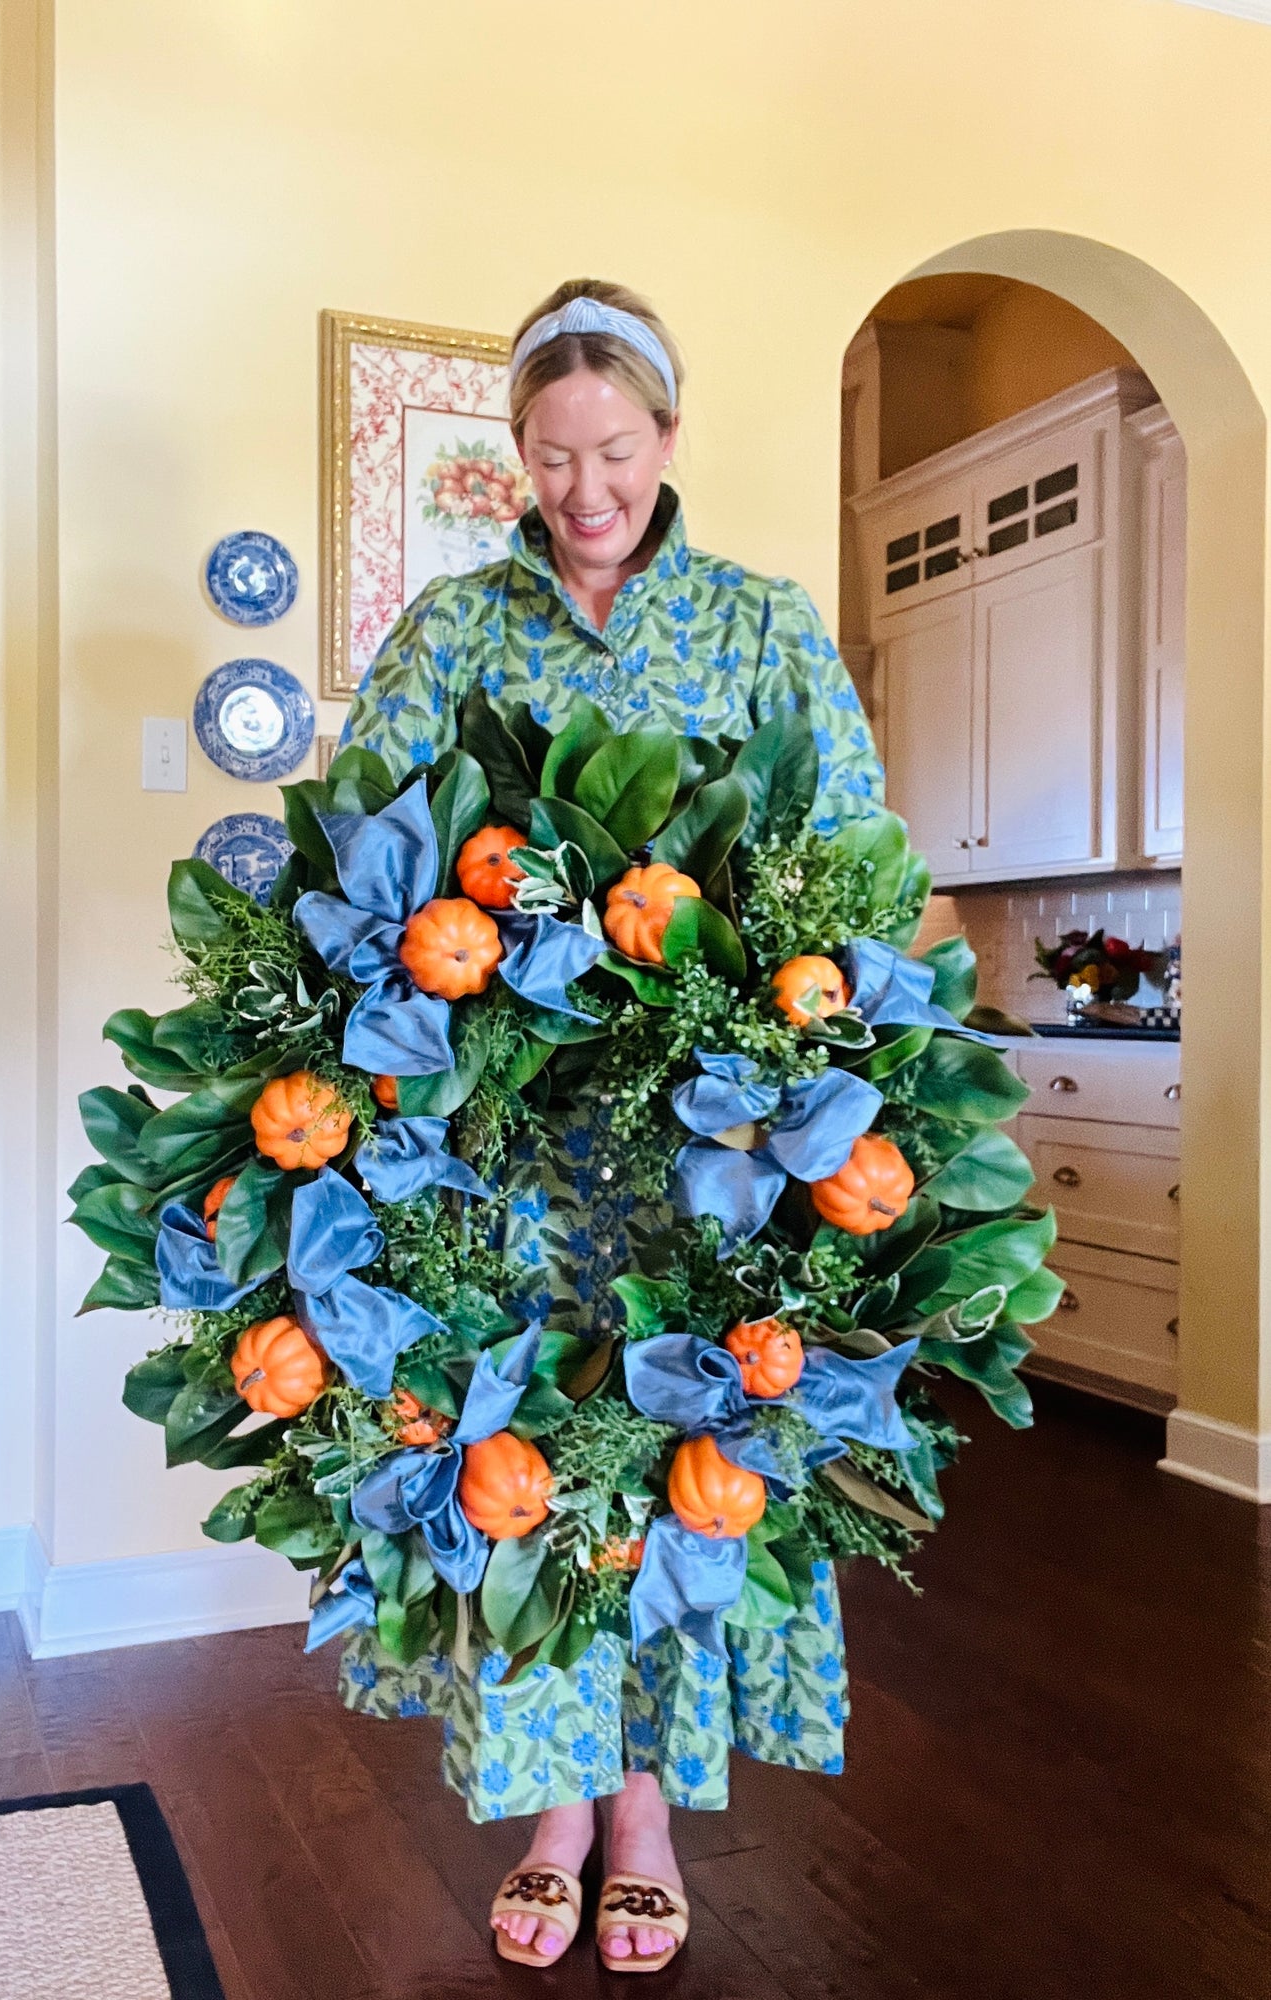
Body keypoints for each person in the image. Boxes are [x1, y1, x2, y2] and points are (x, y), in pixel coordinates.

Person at [337, 279, 883, 1972]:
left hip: (710, 1150)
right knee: (526, 1451)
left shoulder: (766, 621)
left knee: (684, 1458)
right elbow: (364, 854)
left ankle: (646, 1813)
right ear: (515, 453)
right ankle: (555, 1810)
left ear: (667, 436)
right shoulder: (447, 633)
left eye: (618, 451)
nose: (587, 491)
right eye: (553, 457)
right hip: (503, 1152)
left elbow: (853, 853)